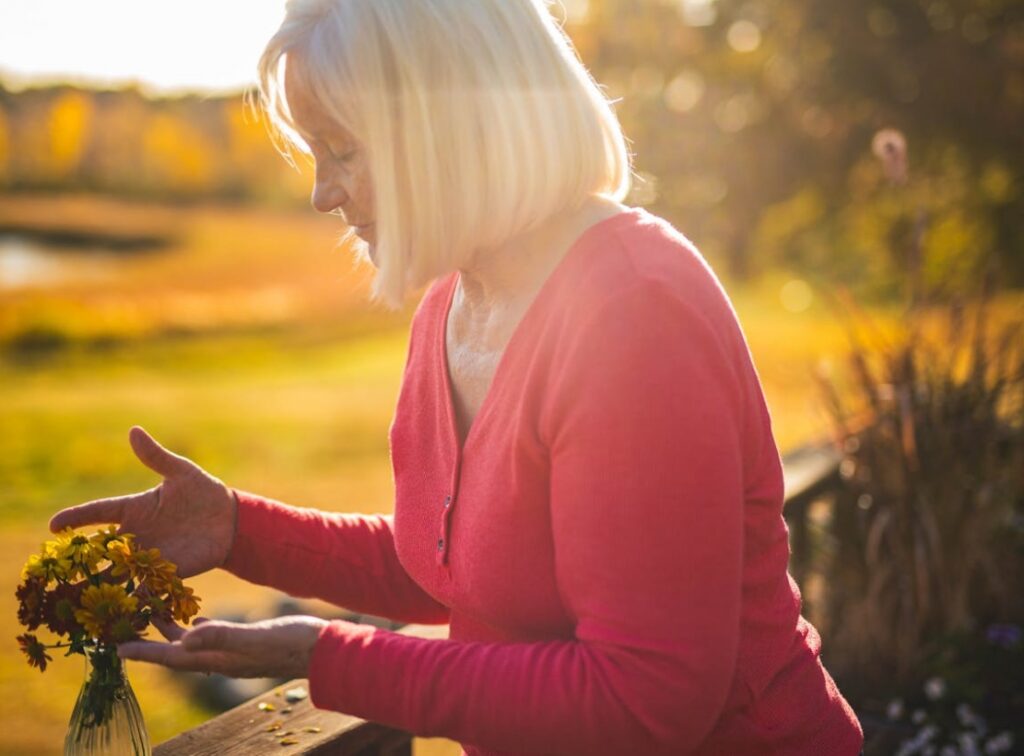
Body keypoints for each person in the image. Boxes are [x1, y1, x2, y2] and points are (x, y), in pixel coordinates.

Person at [49, 1, 865, 753]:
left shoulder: (631, 311)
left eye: (343, 149)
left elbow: (644, 698)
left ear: (448, 127)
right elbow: (457, 566)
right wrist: (238, 529)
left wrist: (332, 657)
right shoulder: (453, 301)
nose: (321, 192)